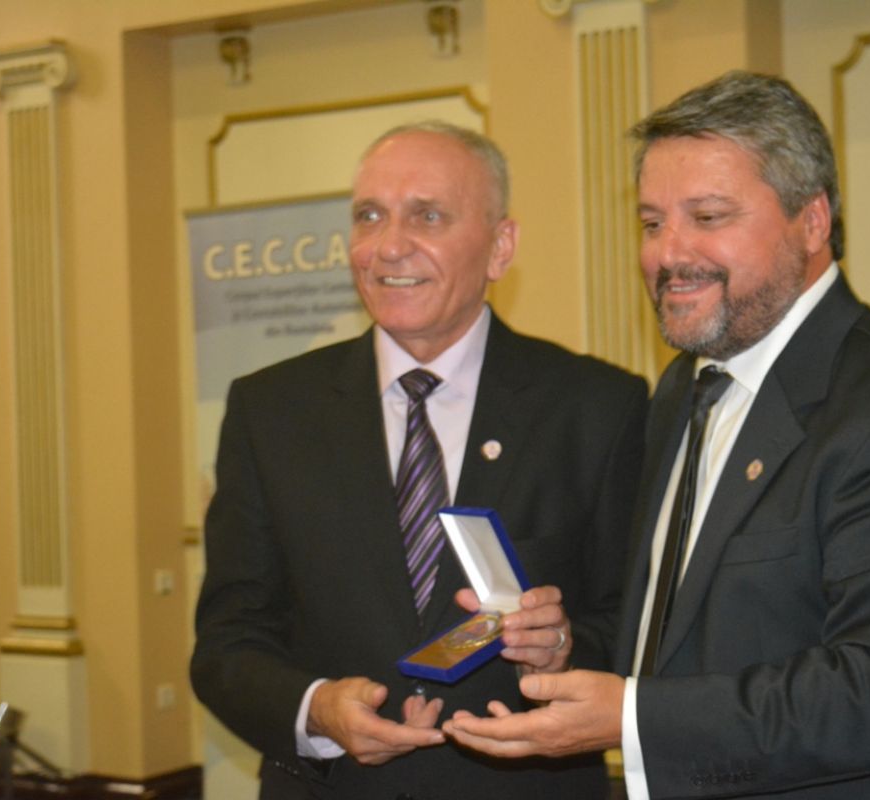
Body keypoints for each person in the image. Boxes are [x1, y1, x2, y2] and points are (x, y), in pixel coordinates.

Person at [442, 71, 870, 799]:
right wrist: (568, 649)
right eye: (652, 223)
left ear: (812, 222)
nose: (668, 254)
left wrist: (628, 716)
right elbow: (682, 638)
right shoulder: (684, 389)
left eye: (708, 216)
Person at [191, 121, 648, 800]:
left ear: (500, 247)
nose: (389, 246)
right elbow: (228, 643)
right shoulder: (271, 411)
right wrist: (316, 709)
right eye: (369, 216)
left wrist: (561, 650)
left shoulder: (597, 407)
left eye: (427, 216)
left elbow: (638, 627)